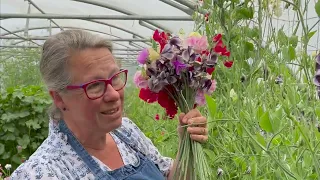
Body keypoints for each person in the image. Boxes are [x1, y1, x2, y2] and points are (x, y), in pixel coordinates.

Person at [10, 30, 208, 180]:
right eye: (95, 85)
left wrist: (186, 144)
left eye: (114, 78)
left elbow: (169, 175)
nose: (114, 94)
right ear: (59, 98)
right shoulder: (44, 171)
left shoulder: (126, 132)